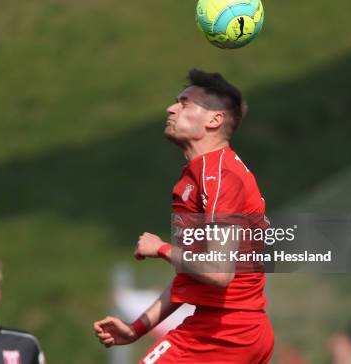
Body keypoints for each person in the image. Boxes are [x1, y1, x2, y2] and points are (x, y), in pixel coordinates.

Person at [93, 69, 273, 363]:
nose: (171, 108)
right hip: (234, 331)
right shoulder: (198, 177)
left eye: (185, 103)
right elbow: (194, 277)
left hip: (224, 333)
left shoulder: (220, 175)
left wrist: (162, 248)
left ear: (214, 120)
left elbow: (217, 271)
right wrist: (137, 328)